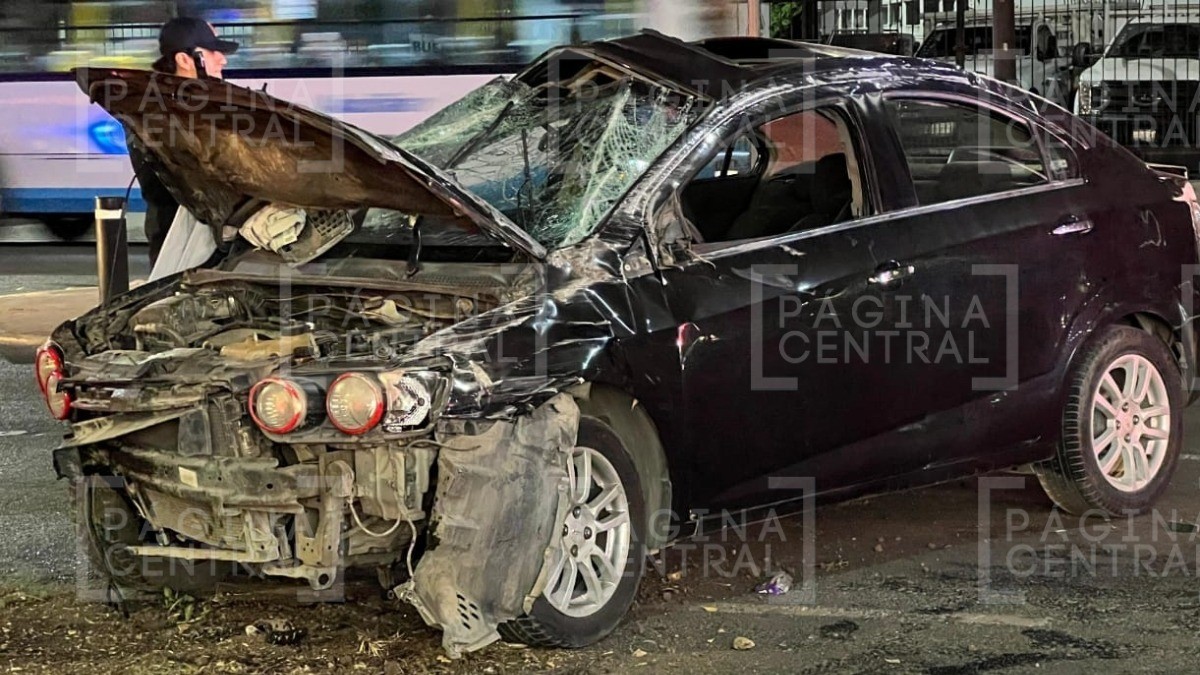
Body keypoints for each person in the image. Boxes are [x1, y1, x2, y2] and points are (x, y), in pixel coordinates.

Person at [127, 17, 238, 266]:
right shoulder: (154, 111)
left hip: (214, 241)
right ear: (185, 60)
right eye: (213, 52)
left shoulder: (206, 102)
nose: (223, 59)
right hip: (180, 246)